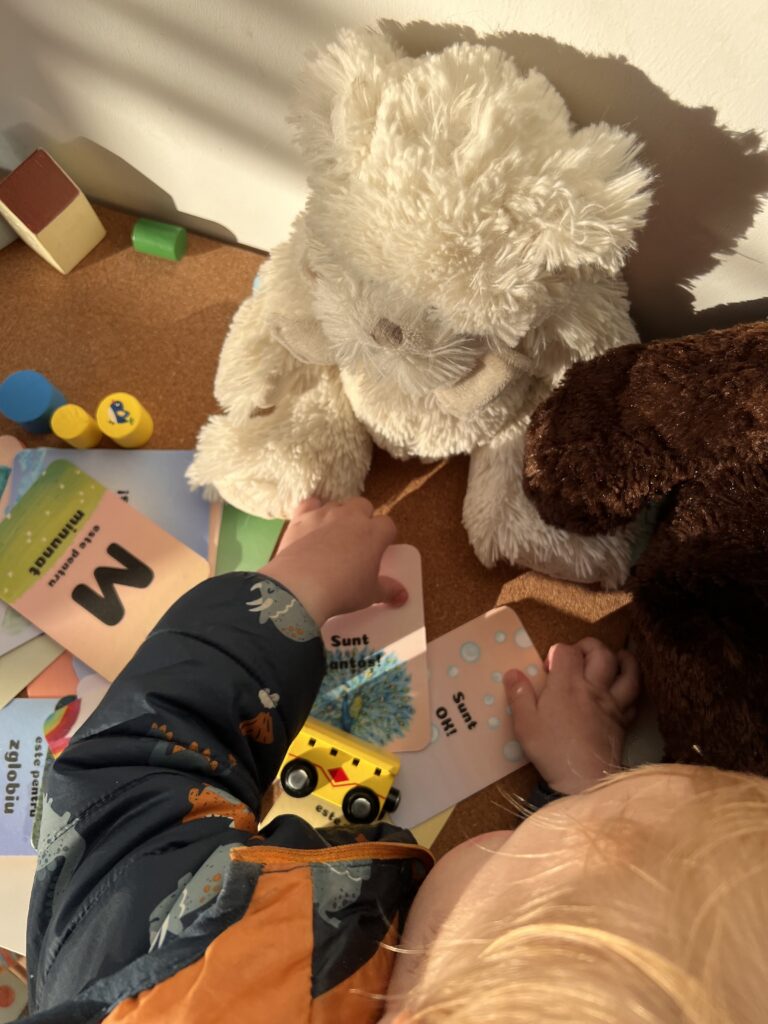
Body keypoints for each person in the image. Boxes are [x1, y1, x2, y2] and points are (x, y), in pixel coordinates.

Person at [25, 500, 767, 1023]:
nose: (518, 839)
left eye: (525, 854)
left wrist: (290, 592)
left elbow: (134, 764)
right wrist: (585, 788)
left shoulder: (181, 976)